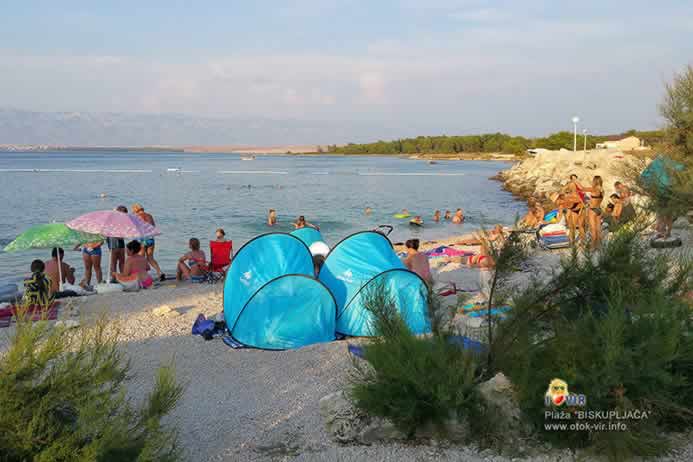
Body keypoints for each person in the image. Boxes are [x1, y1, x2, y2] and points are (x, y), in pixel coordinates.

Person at [132, 203, 165, 281]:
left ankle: (143, 277)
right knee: (150, 258)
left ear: (136, 210)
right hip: (151, 239)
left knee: (140, 259)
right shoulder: (149, 215)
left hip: (143, 239)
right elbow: (153, 227)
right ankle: (159, 272)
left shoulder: (137, 217)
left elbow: (137, 229)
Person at [583, 175, 604, 249]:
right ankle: (599, 246)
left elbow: (582, 188)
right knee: (598, 230)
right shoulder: (602, 190)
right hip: (599, 210)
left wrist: (575, 180)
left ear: (594, 181)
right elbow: (596, 200)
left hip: (592, 210)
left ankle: (592, 248)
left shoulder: (594, 189)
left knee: (593, 230)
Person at [108, 205, 128, 283]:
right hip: (116, 241)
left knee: (115, 261)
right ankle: (119, 277)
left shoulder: (112, 219)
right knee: (118, 261)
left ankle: (115, 278)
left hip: (114, 241)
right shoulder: (120, 220)